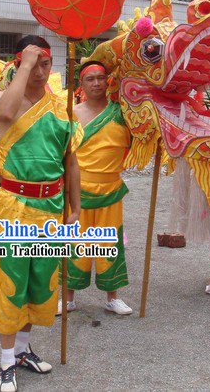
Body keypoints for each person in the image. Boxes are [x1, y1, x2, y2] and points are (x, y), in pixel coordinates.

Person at [0, 35, 82, 392]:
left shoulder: (62, 107)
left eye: (45, 63)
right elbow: (6, 114)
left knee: (40, 282)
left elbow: (70, 161)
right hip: (15, 206)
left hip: (51, 207)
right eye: (32, 63)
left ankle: (23, 351)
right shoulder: (0, 99)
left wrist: (76, 207)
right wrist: (25, 63)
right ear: (18, 63)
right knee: (11, 283)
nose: (40, 71)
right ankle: (6, 362)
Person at [58, 61, 132, 316]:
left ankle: (112, 297)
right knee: (72, 244)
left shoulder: (122, 112)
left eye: (101, 77)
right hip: (76, 191)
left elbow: (137, 141)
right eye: (90, 79)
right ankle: (67, 298)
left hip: (111, 189)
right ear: (82, 84)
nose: (97, 83)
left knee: (109, 244)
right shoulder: (70, 112)